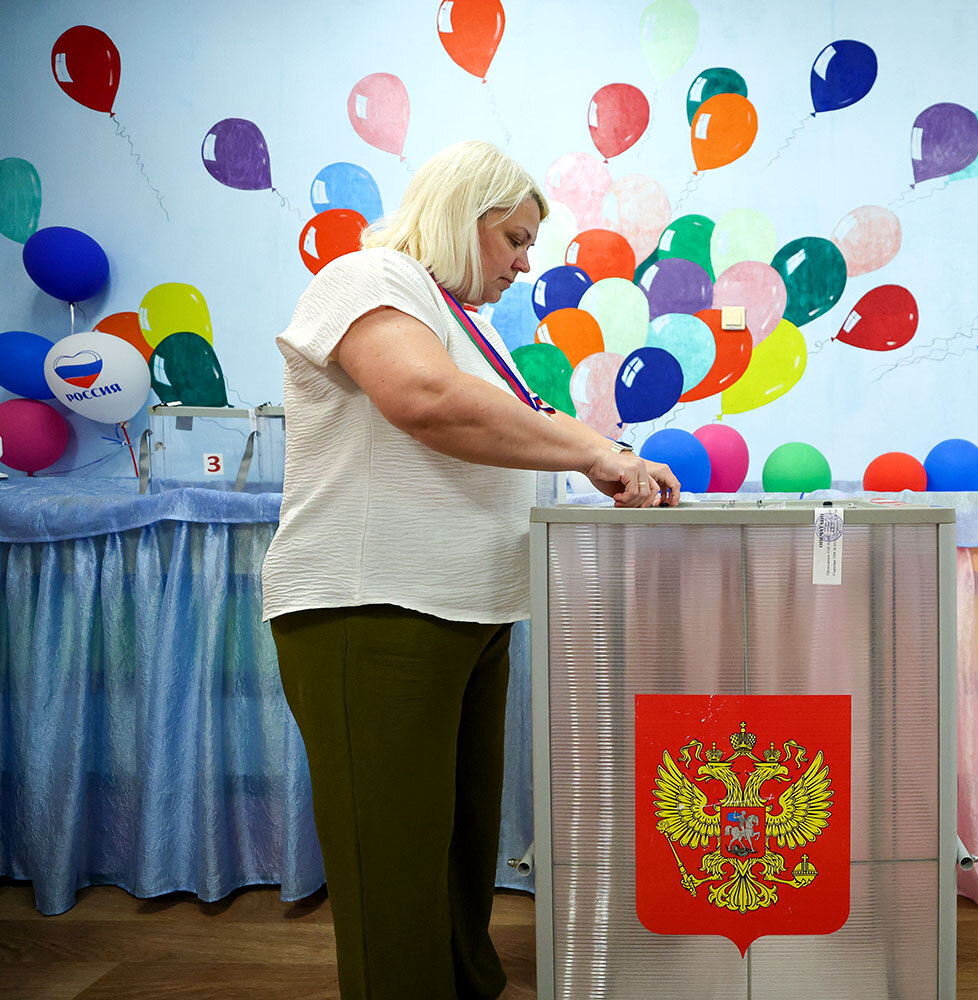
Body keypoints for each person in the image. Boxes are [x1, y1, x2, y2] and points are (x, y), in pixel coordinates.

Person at [261, 139, 680, 999]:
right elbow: (426, 399)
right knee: (393, 862)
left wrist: (607, 456)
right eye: (515, 240)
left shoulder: (458, 320)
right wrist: (597, 455)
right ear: (460, 216)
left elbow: (521, 417)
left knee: (456, 847)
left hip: (465, 610)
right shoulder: (369, 277)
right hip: (373, 605)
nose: (525, 265)